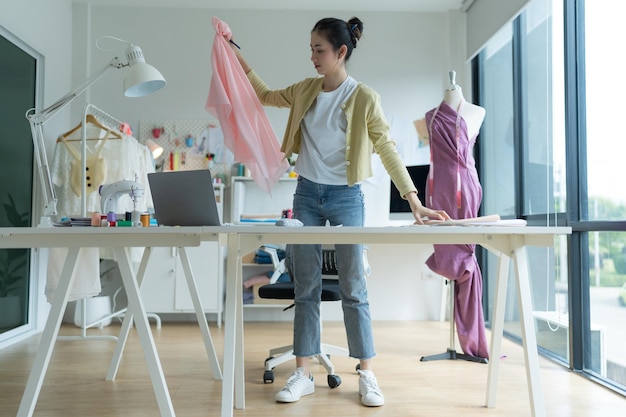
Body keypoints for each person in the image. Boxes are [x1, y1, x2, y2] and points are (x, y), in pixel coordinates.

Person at [228, 16, 449, 407]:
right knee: (306, 285)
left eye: (319, 50)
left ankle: (367, 372)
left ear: (341, 52)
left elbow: (386, 148)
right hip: (307, 195)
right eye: (311, 49)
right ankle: (303, 372)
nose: (312, 57)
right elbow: (263, 94)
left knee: (354, 286)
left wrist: (413, 199)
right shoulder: (304, 90)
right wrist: (234, 53)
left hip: (347, 196)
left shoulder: (364, 97)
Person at [415, 73, 489, 359]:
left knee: (464, 248)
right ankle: (460, 334)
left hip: (464, 187)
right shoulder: (430, 116)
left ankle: (469, 337)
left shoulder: (476, 112)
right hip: (437, 187)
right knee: (446, 248)